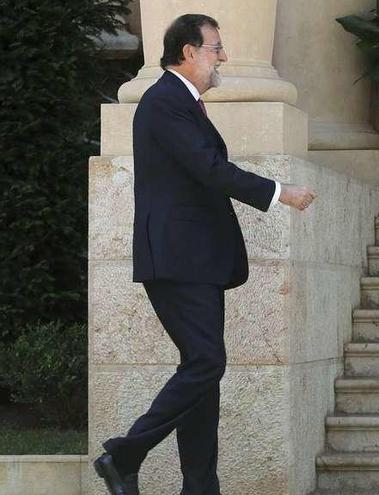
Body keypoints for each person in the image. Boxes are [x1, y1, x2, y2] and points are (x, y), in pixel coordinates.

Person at [93, 14, 317, 495]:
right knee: (206, 364)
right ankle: (125, 454)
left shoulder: (180, 103)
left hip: (193, 260)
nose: (224, 57)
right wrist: (280, 191)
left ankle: (199, 486)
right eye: (216, 48)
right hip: (178, 261)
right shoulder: (164, 101)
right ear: (188, 52)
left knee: (202, 369)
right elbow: (211, 169)